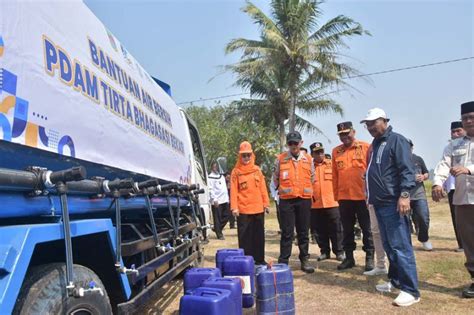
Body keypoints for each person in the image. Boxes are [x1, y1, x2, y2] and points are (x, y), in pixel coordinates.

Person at [362, 107, 420, 307]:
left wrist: (404, 195)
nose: (370, 127)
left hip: (393, 202)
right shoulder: (375, 144)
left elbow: (406, 170)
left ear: (384, 121)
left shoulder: (397, 140)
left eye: (373, 123)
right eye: (367, 124)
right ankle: (396, 282)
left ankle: (411, 290)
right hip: (379, 203)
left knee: (400, 246)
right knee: (389, 246)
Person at [433, 101, 474, 299]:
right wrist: (436, 183)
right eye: (465, 118)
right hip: (462, 200)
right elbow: (443, 165)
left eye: (472, 117)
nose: (468, 121)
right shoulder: (454, 145)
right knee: (469, 243)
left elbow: (466, 168)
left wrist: (469, 169)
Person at [332, 121, 374, 271]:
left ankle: (370, 257)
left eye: (347, 133)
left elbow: (372, 171)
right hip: (344, 198)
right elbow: (335, 176)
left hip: (363, 197)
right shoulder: (336, 151)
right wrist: (336, 195)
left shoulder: (366, 147)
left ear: (353, 132)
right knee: (347, 230)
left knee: (367, 229)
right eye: (341, 135)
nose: (344, 137)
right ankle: (349, 258)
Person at [273, 131, 315, 273]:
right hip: (287, 201)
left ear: (301, 143)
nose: (293, 146)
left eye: (295, 143)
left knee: (303, 232)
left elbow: (312, 178)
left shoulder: (309, 159)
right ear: (288, 144)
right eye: (290, 143)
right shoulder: (281, 159)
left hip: (304, 200)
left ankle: (305, 260)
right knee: (287, 232)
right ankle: (283, 262)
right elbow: (275, 178)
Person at [230, 141, 270, 266]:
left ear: (252, 155)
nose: (246, 158)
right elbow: (233, 190)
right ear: (240, 156)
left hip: (258, 209)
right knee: (245, 237)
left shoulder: (257, 170)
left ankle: (259, 259)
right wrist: (234, 208)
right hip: (243, 210)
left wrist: (266, 203)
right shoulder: (236, 172)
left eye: (248, 155)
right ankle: (246, 261)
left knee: (259, 236)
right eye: (244, 155)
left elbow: (263, 188)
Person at [309, 142, 344, 262]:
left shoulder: (331, 164)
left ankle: (339, 252)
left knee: (336, 229)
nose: (320, 154)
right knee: (319, 229)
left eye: (321, 152)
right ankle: (324, 251)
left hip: (332, 202)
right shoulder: (309, 167)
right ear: (312, 154)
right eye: (317, 152)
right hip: (315, 203)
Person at [442, 121, 465, 252]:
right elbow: (444, 166)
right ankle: (461, 244)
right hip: (453, 188)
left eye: (458, 131)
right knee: (456, 217)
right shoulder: (449, 148)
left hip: (468, 186)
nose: (455, 134)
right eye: (453, 132)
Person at [408, 140, 432, 251]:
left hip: (419, 193)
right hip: (404, 195)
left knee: (424, 217)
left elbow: (426, 173)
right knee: (404, 221)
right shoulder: (397, 159)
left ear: (412, 147)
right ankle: (406, 244)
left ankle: (424, 238)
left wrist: (423, 177)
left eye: (409, 147)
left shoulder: (418, 159)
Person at [208, 161, 231, 240]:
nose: (215, 168)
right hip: (217, 201)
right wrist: (214, 199)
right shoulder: (210, 177)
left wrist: (228, 199)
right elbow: (210, 189)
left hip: (224, 199)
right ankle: (219, 234)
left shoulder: (221, 176)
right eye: (214, 167)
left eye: (216, 166)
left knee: (228, 215)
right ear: (211, 167)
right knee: (217, 218)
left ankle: (217, 228)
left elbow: (224, 188)